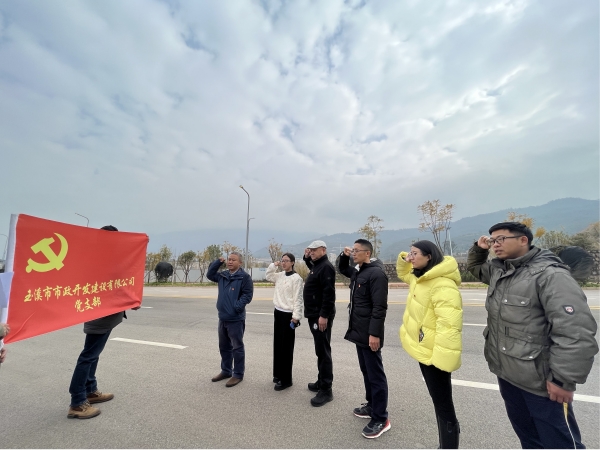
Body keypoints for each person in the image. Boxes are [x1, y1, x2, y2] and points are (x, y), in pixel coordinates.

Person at [467, 221, 598, 449]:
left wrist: (562, 380)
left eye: (500, 239)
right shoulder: (501, 271)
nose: (495, 244)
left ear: (523, 240)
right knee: (529, 439)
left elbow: (575, 331)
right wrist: (479, 248)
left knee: (560, 444)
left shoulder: (550, 275)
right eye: (492, 240)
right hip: (507, 374)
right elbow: (475, 267)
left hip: (541, 382)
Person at [68, 225, 141, 419]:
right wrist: (129, 300)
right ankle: (77, 402)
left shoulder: (103, 259)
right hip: (98, 317)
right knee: (88, 356)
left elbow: (114, 286)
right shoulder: (97, 261)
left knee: (93, 355)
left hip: (105, 317)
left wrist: (130, 301)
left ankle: (90, 390)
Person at [396, 240, 462, 449]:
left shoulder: (441, 284)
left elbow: (449, 326)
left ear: (429, 256)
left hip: (435, 356)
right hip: (425, 350)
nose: (411, 257)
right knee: (438, 401)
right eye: (410, 253)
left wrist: (441, 361)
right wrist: (404, 257)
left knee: (443, 405)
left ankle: (448, 445)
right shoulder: (420, 277)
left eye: (414, 253)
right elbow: (402, 273)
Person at [339, 239, 391, 439]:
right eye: (352, 250)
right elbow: (343, 269)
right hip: (359, 331)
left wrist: (375, 334)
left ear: (367, 253)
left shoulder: (376, 274)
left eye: (356, 251)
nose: (353, 253)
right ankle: (371, 405)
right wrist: (343, 256)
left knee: (376, 375)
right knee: (366, 371)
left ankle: (381, 418)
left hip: (370, 334)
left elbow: (379, 307)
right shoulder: (359, 271)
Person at [207, 251, 254, 388]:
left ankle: (238, 374)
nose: (230, 262)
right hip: (222, 317)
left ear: (240, 263)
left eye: (233, 260)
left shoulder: (244, 277)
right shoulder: (223, 275)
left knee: (237, 347)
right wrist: (218, 262)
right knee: (224, 347)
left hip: (235, 319)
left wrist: (236, 307)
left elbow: (248, 295)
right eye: (229, 259)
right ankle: (226, 370)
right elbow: (210, 274)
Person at [302, 240, 336, 407]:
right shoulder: (318, 265)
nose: (312, 252)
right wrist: (306, 257)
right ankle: (321, 381)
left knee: (323, 351)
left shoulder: (326, 267)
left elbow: (329, 294)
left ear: (323, 250)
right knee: (319, 350)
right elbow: (311, 267)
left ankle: (326, 390)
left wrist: (324, 315)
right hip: (314, 314)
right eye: (311, 250)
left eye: (314, 250)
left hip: (320, 316)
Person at [265, 253, 304, 391]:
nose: (284, 263)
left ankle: (286, 379)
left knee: (286, 348)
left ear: (292, 262)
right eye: (282, 261)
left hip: (288, 315)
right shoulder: (280, 275)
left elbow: (298, 299)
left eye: (286, 261)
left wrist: (296, 317)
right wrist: (273, 266)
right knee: (278, 345)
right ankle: (278, 374)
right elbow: (268, 276)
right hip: (278, 312)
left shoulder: (296, 278)